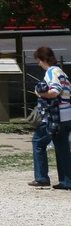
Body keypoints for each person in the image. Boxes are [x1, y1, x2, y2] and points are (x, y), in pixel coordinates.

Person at [29, 46, 71, 190]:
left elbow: (55, 91)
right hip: (67, 115)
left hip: (54, 117)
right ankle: (67, 181)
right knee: (62, 147)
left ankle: (41, 178)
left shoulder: (51, 72)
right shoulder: (62, 72)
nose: (38, 64)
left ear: (42, 59)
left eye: (39, 61)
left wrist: (40, 94)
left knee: (38, 142)